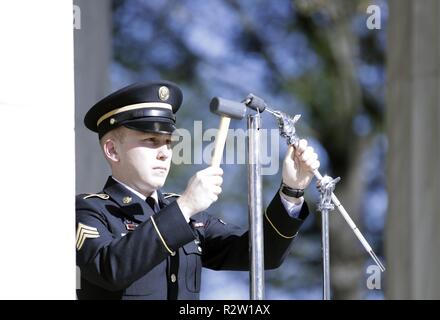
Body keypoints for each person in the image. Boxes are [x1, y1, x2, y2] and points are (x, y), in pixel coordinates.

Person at [76, 80, 320, 300]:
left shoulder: (182, 211)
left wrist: (292, 191)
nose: (164, 152)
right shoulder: (89, 209)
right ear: (112, 150)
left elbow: (262, 254)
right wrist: (185, 207)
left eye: (169, 142)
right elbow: (109, 268)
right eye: (150, 141)